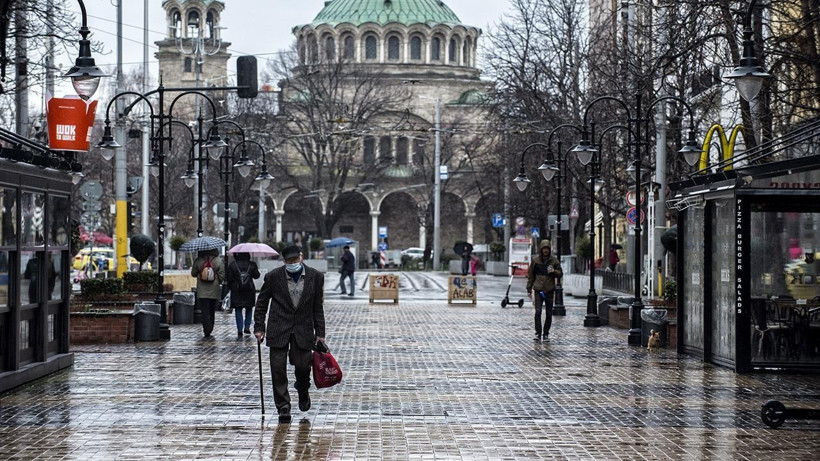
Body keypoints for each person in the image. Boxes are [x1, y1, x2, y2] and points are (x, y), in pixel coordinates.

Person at [254, 245, 326, 424]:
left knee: (303, 367)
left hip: (303, 329)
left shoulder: (316, 277)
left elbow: (318, 307)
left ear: (301, 257)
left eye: (295, 260)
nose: (293, 264)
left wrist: (320, 333)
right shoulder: (273, 277)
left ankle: (303, 390)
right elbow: (261, 303)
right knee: (277, 369)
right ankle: (283, 407)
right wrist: (259, 327)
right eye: (289, 261)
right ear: (284, 261)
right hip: (278, 328)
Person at [526, 240, 563, 342]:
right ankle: (538, 333)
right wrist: (529, 288)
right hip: (538, 289)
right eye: (544, 249)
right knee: (538, 312)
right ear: (541, 249)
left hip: (549, 290)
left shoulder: (554, 261)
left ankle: (546, 333)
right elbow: (531, 276)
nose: (545, 250)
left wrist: (553, 271)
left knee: (549, 313)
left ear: (549, 249)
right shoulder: (536, 261)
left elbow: (560, 273)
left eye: (547, 249)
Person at [191, 248, 226, 338]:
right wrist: (218, 281)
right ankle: (210, 328)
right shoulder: (218, 260)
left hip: (202, 290)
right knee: (212, 310)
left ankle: (206, 329)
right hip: (214, 290)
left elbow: (193, 273)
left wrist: (201, 272)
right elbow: (222, 275)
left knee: (204, 310)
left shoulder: (199, 260)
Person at [227, 252, 260, 339]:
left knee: (238, 309)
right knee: (249, 309)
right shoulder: (252, 264)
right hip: (249, 290)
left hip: (237, 290)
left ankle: (239, 329)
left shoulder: (233, 265)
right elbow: (257, 276)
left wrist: (231, 287)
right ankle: (247, 327)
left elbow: (229, 279)